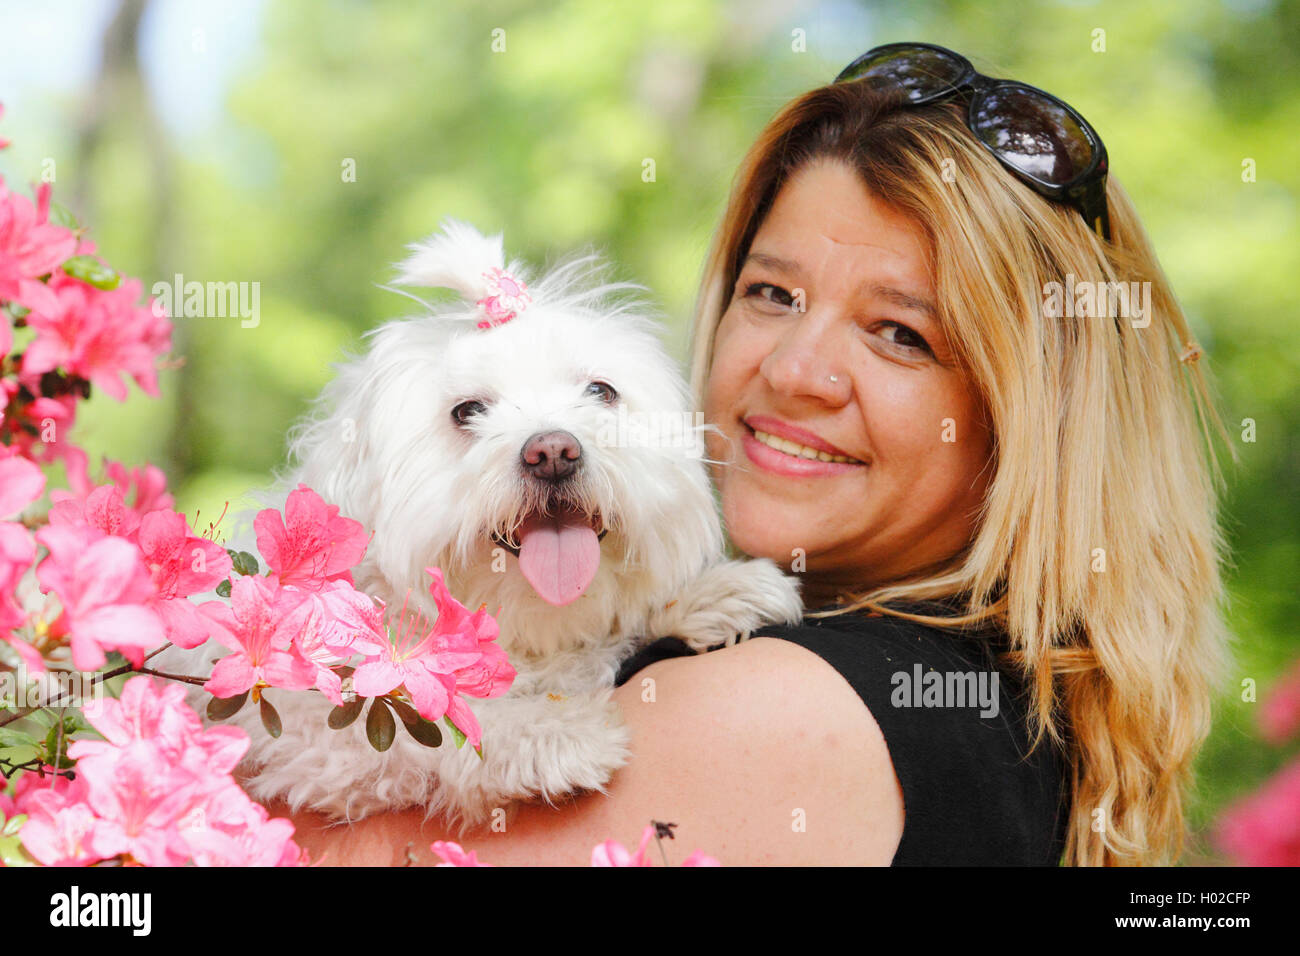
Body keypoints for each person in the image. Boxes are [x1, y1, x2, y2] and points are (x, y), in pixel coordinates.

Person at [277, 43, 1232, 866]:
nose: (796, 369)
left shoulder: (783, 713)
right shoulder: (996, 715)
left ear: (1035, 426)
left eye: (901, 334)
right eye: (773, 295)